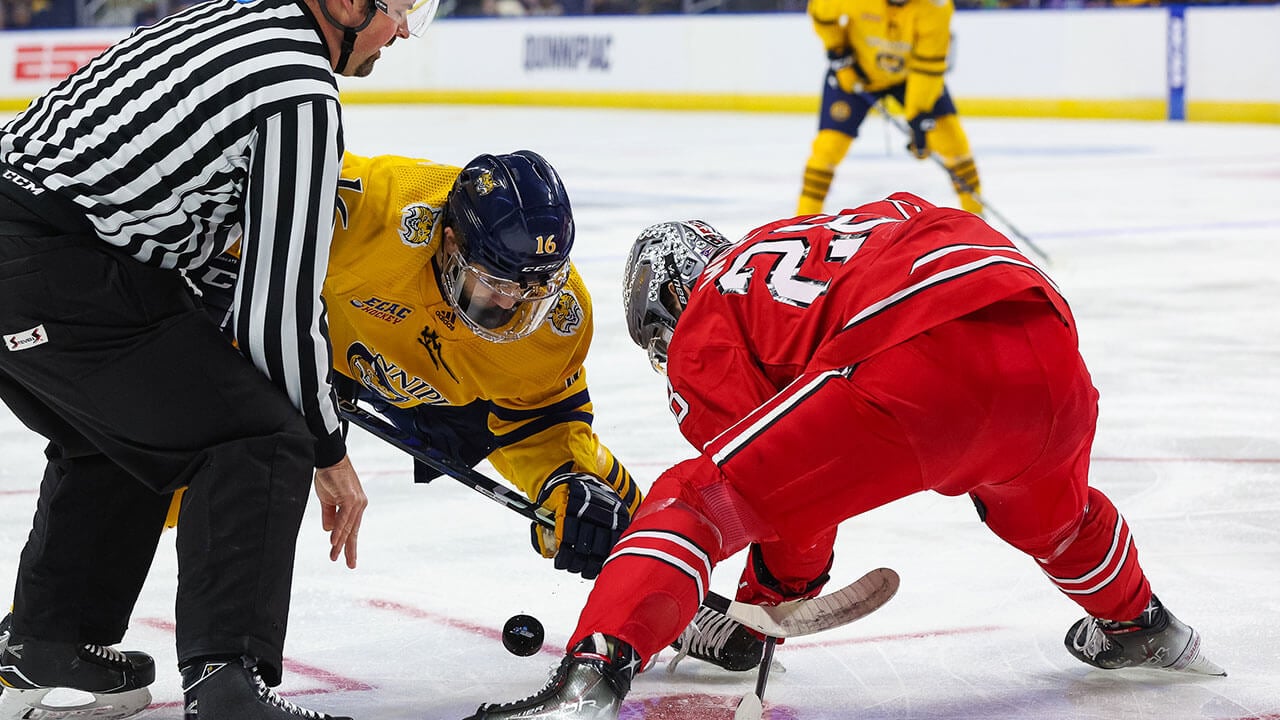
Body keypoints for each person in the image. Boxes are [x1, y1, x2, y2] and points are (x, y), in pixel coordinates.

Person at [461, 194, 1225, 720]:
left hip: (921, 354)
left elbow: (780, 503)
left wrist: (761, 610)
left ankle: (591, 676)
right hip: (1042, 335)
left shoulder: (706, 314)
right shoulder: (803, 244)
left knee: (693, 495)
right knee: (1056, 520)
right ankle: (1142, 624)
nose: (668, 354)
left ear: (667, 303)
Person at [0, 0, 437, 717]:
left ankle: (46, 643)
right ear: (348, 6)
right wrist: (327, 447)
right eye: (398, 12)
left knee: (124, 430)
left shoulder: (233, 18)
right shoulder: (298, 92)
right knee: (261, 436)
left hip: (37, 249)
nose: (402, 34)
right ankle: (226, 683)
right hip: (55, 270)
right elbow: (279, 319)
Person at [197, 149, 643, 579]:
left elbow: (541, 421)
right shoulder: (373, 209)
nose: (511, 305)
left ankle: (666, 559)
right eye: (493, 283)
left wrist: (566, 482)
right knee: (182, 448)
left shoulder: (562, 320)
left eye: (533, 289)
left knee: (595, 501)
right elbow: (236, 207)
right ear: (450, 243)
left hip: (457, 391)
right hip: (325, 349)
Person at [798, 0, 984, 217]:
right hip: (857, 72)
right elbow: (820, 12)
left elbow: (928, 66)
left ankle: (977, 216)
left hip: (910, 78)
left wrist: (918, 119)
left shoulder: (937, 6)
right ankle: (803, 221)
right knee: (827, 148)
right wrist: (839, 53)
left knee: (953, 142)